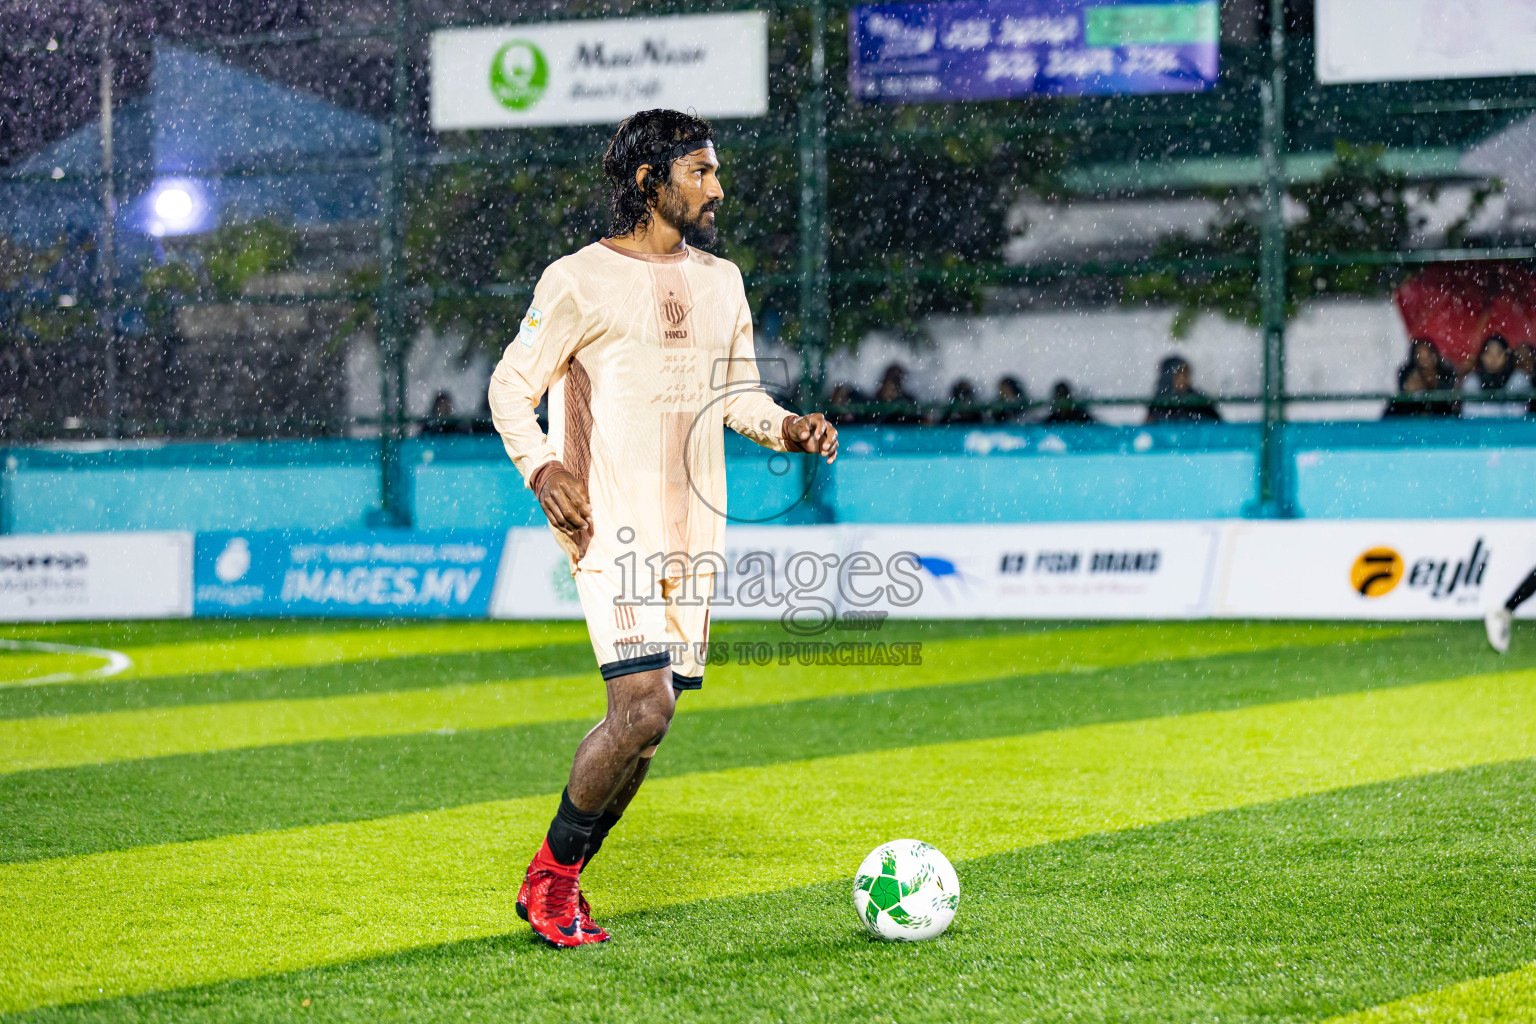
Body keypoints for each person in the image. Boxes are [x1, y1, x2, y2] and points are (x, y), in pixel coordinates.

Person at [487, 109, 839, 948]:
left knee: (651, 726)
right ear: (651, 181)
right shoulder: (577, 278)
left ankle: (562, 881)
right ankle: (550, 882)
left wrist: (787, 427)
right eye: (701, 173)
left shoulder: (723, 281)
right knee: (640, 707)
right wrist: (543, 468)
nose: (717, 188)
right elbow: (510, 385)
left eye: (715, 173)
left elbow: (739, 398)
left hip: (695, 534)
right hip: (611, 523)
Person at [1462, 334, 1531, 418]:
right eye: (1489, 353)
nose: (1493, 358)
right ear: (1482, 356)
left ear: (1506, 357)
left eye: (1499, 353)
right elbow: (1468, 411)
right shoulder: (1472, 379)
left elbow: (1519, 410)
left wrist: (1486, 412)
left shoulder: (1518, 378)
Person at [1145, 355, 1220, 424]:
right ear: (1168, 377)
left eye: (1186, 374)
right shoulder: (1159, 403)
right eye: (1179, 375)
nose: (1184, 379)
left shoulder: (1198, 401)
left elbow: (1216, 424)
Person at [1409, 337, 1459, 416]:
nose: (1425, 360)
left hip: (1443, 417)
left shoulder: (1446, 373)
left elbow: (1450, 401)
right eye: (1420, 355)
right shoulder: (1409, 375)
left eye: (1428, 355)